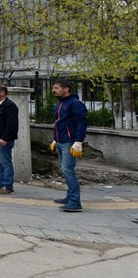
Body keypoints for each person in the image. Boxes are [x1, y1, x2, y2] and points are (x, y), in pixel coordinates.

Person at [51, 80, 87, 212]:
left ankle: (75, 201)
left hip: (69, 143)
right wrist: (55, 139)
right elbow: (58, 123)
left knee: (68, 170)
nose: (53, 90)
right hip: (61, 142)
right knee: (65, 169)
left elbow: (81, 123)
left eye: (56, 88)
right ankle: (69, 197)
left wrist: (78, 141)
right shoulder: (60, 104)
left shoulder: (75, 104)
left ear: (66, 89)